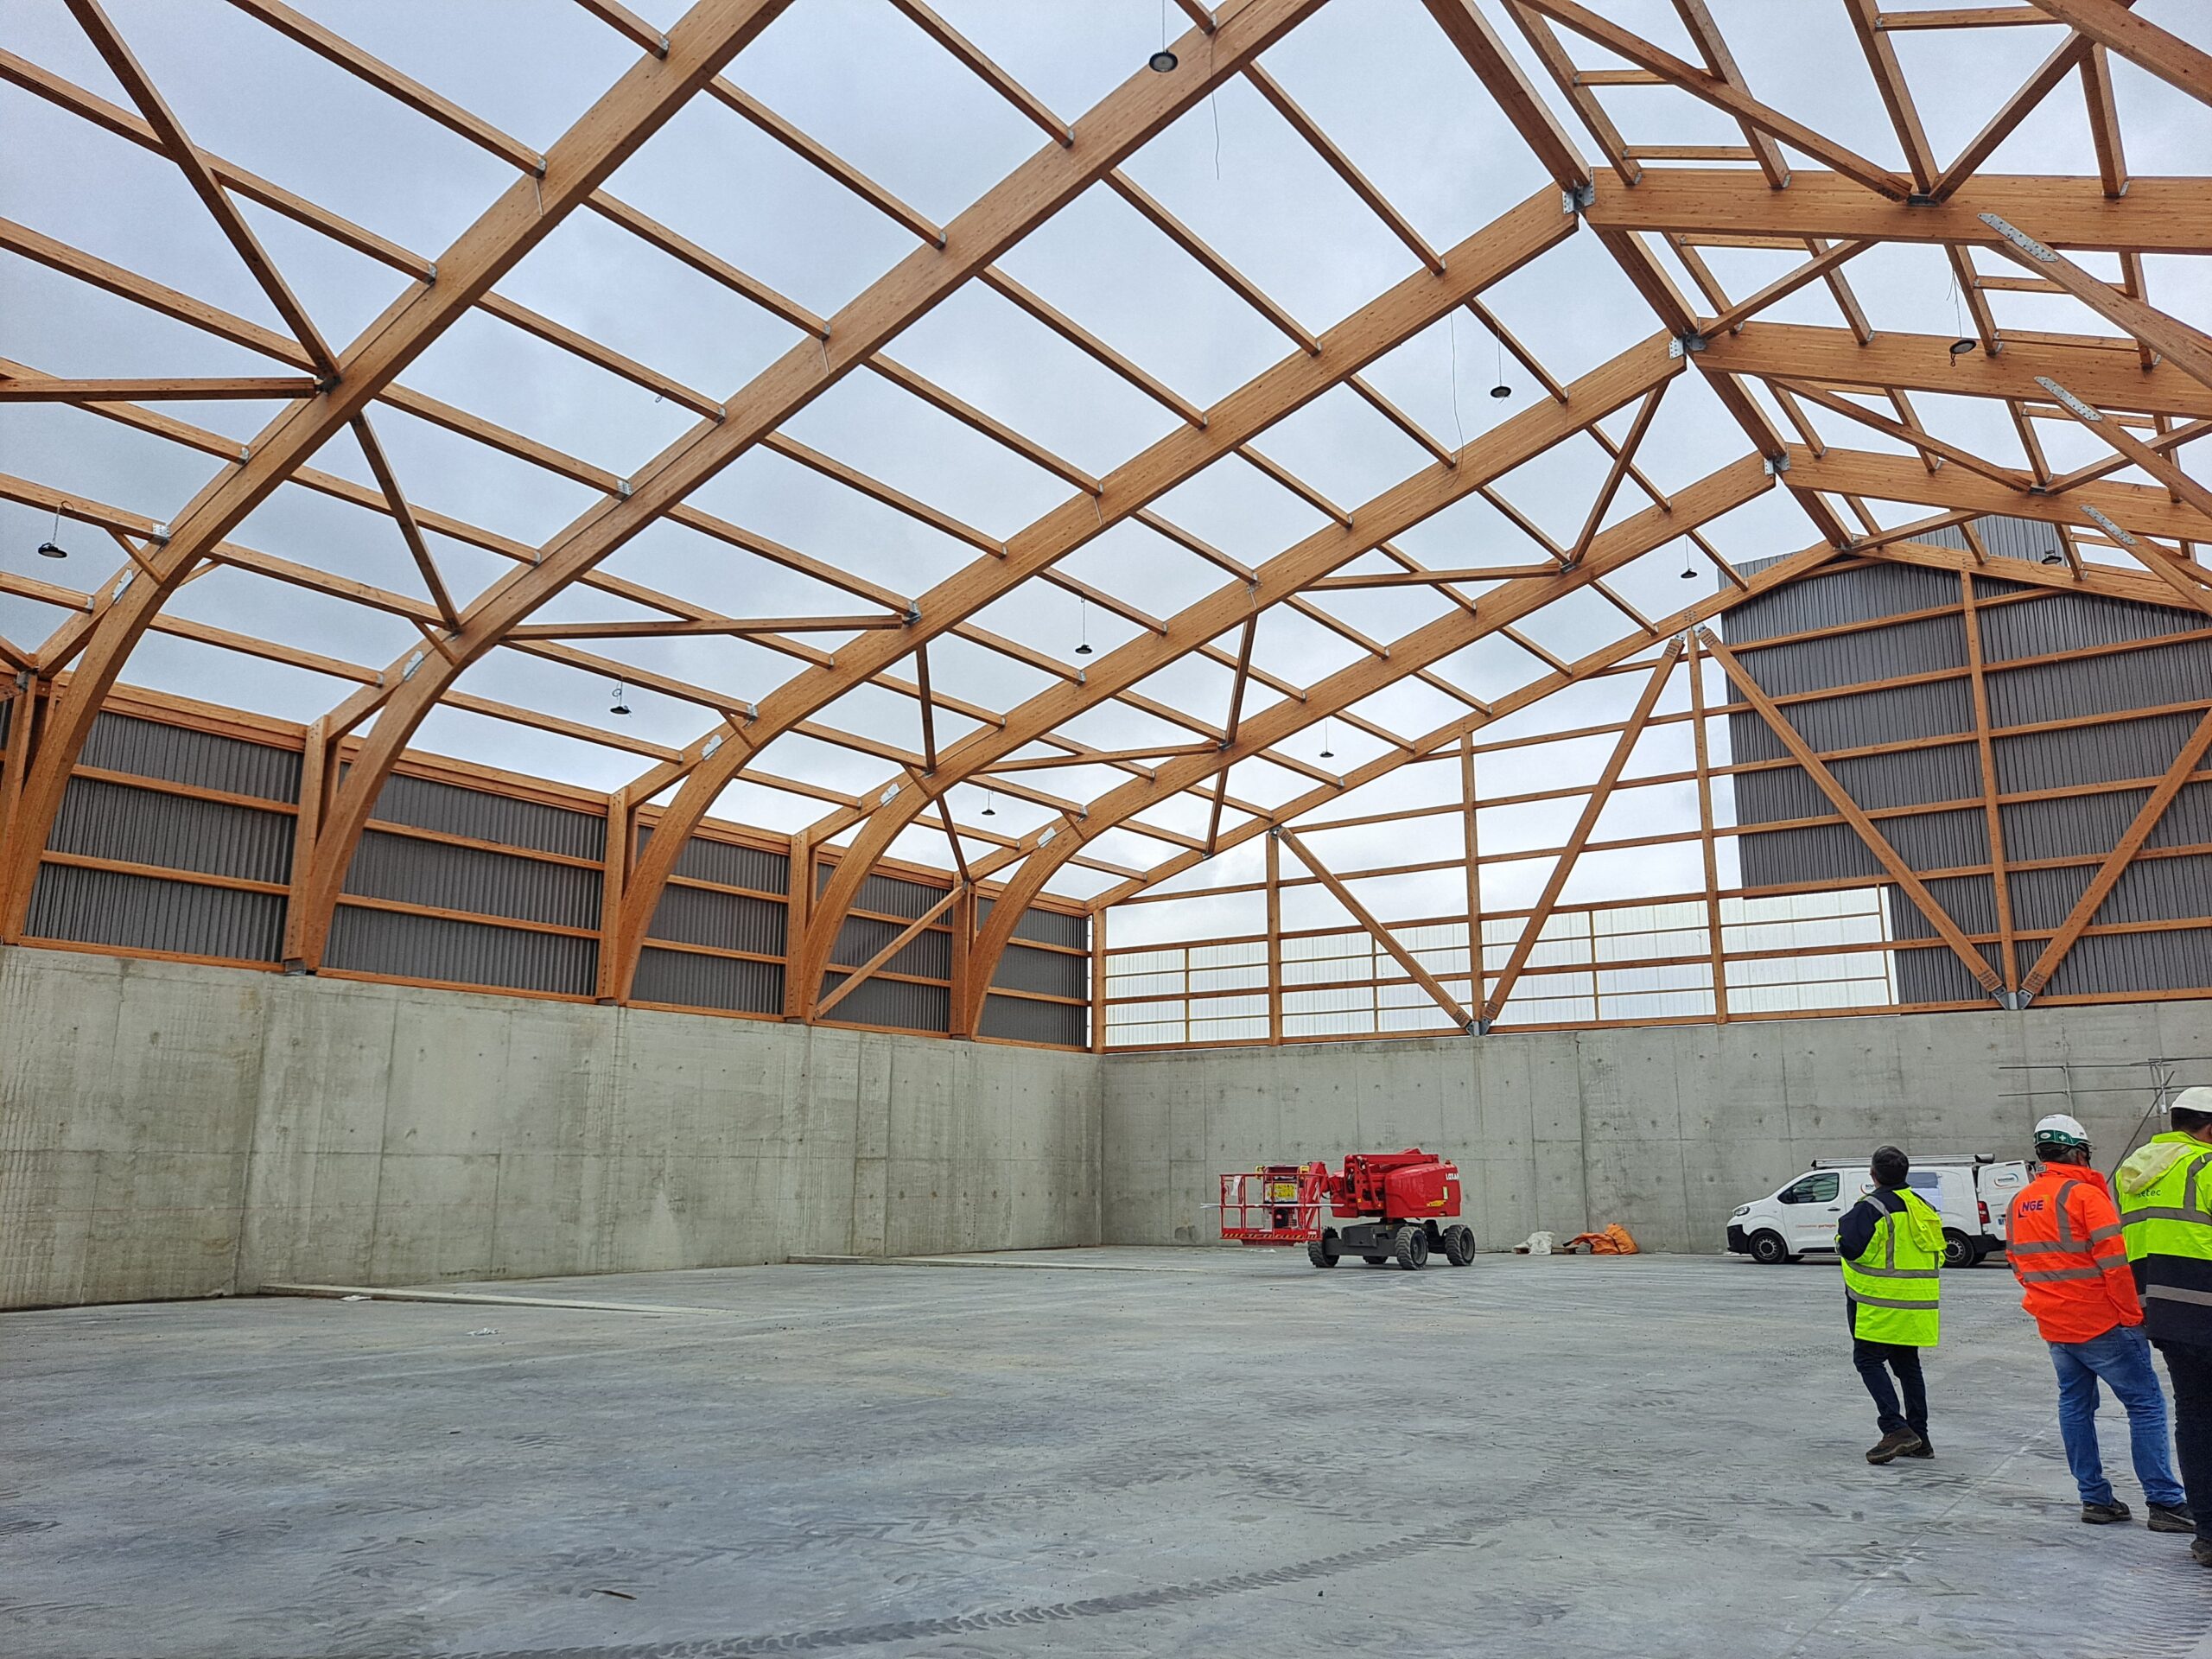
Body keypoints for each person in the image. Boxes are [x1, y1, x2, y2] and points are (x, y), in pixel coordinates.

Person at [2006, 1114, 2190, 1530]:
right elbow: (2116, 1264)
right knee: (2145, 1406)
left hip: (2056, 1326)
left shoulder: (2020, 1202)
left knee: (2075, 1407)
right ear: (2078, 1151)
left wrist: (2050, 1301)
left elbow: (2018, 1262)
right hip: (2103, 1323)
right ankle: (2164, 1501)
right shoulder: (2086, 1196)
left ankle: (2095, 1499)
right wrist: (2131, 1317)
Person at [2116, 1085, 2212, 1568]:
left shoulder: (2134, 1173)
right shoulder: (2205, 1167)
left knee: (2195, 1418)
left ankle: (2209, 1534)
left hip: (2165, 1316)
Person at [1839, 1145, 1943, 1464]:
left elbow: (1850, 1248)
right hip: (1916, 1306)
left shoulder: (1871, 1207)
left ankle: (1895, 1428)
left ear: (1873, 1175)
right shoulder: (1922, 1206)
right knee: (1908, 1366)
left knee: (1868, 1361)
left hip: (1877, 1305)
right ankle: (1920, 1437)